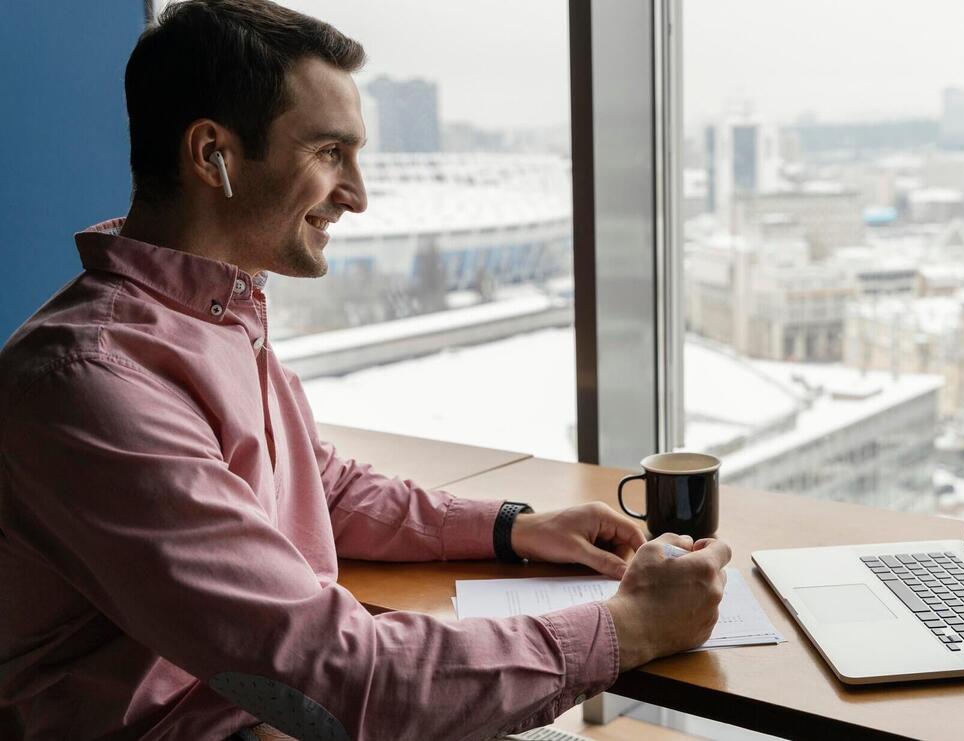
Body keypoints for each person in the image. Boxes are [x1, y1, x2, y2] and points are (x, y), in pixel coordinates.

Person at [0, 2, 731, 739]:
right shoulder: (93, 383)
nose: (357, 194)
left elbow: (319, 485)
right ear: (210, 154)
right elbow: (347, 675)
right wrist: (629, 627)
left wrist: (516, 528)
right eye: (329, 153)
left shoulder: (213, 317)